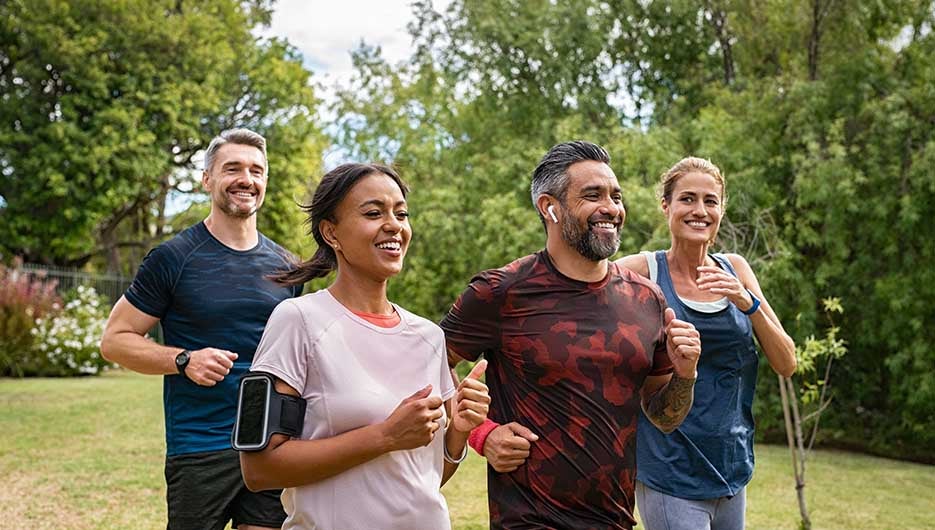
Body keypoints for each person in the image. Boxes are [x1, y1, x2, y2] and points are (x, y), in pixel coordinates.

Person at [441, 141, 702, 529]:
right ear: (550, 207)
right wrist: (481, 432)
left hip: (614, 520)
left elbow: (664, 417)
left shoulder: (647, 299)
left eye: (616, 196)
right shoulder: (501, 292)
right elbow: (429, 362)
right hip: (528, 520)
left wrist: (686, 374)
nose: (611, 208)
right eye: (592, 195)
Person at [238, 163, 491, 530]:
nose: (394, 225)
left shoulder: (429, 337)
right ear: (331, 233)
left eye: (401, 213)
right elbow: (259, 470)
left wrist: (458, 432)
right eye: (374, 213)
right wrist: (385, 436)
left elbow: (423, 480)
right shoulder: (297, 320)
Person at [100, 128, 300, 530]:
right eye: (233, 168)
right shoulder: (173, 258)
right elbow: (115, 341)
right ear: (207, 179)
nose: (247, 179)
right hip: (200, 446)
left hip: (271, 441)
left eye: (257, 170)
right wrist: (183, 359)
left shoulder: (288, 267)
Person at [616, 156, 797, 530]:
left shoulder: (736, 268)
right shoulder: (642, 271)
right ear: (665, 206)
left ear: (720, 210)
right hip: (670, 472)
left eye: (710, 201)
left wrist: (749, 303)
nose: (699, 211)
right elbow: (579, 292)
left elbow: (787, 362)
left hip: (731, 469)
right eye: (687, 199)